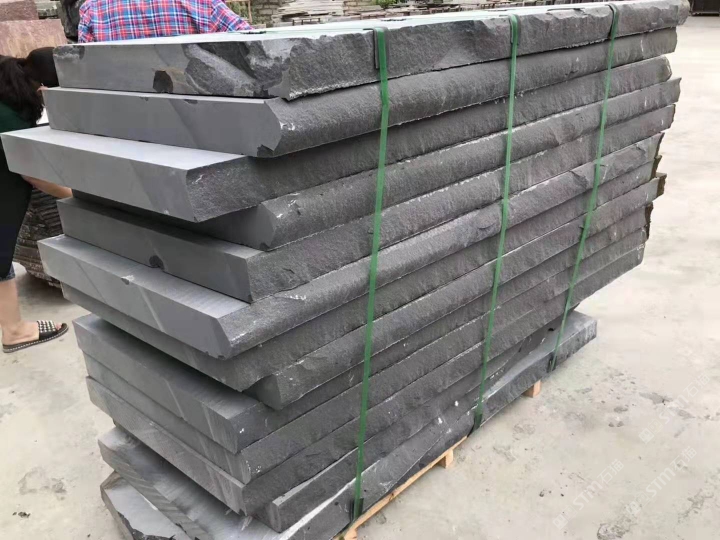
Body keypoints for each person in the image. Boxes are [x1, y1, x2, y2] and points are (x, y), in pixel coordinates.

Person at [1, 48, 72, 353]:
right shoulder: (11, 117)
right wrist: (78, 196)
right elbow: (32, 174)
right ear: (43, 90)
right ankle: (14, 332)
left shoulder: (7, 82)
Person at [78, 0, 253, 43]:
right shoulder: (203, 4)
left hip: (120, 117)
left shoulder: (93, 9)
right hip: (196, 117)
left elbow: (83, 74)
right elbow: (253, 43)